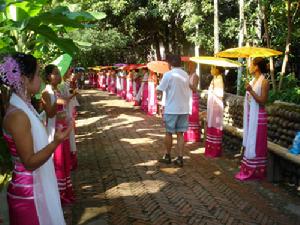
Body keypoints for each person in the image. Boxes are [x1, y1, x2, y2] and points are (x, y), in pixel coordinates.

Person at [0, 53, 70, 225]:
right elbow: (30, 162)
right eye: (38, 74)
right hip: (29, 194)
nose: (40, 79)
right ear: (24, 79)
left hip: (33, 189)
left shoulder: (25, 107)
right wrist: (56, 142)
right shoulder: (18, 115)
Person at [42, 64, 75, 204]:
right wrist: (58, 104)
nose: (59, 75)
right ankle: (59, 193)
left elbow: (63, 108)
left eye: (59, 73)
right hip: (55, 132)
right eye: (56, 73)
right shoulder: (46, 92)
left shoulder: (57, 90)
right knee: (59, 161)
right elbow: (49, 113)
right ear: (49, 76)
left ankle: (66, 191)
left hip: (63, 129)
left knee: (65, 160)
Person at [235, 57, 269, 181]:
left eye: (252, 64)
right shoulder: (253, 80)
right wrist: (249, 91)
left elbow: (263, 101)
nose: (250, 66)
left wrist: (251, 91)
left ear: (257, 67)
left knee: (257, 143)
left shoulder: (264, 82)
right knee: (251, 140)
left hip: (259, 117)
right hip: (251, 115)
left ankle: (257, 170)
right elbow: (250, 100)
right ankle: (248, 167)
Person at [157, 54, 191, 167]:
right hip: (184, 108)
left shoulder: (168, 75)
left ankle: (167, 155)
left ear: (170, 63)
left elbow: (159, 90)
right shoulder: (186, 74)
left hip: (171, 109)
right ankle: (180, 158)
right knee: (180, 134)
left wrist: (159, 98)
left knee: (168, 133)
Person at [204, 66, 224, 157]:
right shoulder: (214, 78)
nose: (211, 70)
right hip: (212, 105)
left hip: (216, 106)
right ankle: (210, 148)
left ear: (217, 70)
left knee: (215, 125)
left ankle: (215, 150)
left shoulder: (219, 79)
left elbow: (221, 94)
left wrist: (213, 89)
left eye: (213, 68)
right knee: (211, 124)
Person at [184, 62, 200, 142]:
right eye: (188, 65)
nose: (189, 67)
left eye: (190, 66)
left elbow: (194, 89)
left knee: (192, 117)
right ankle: (188, 135)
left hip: (193, 98)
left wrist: (187, 83)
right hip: (188, 98)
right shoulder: (188, 75)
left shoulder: (196, 76)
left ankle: (193, 136)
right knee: (188, 117)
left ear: (194, 67)